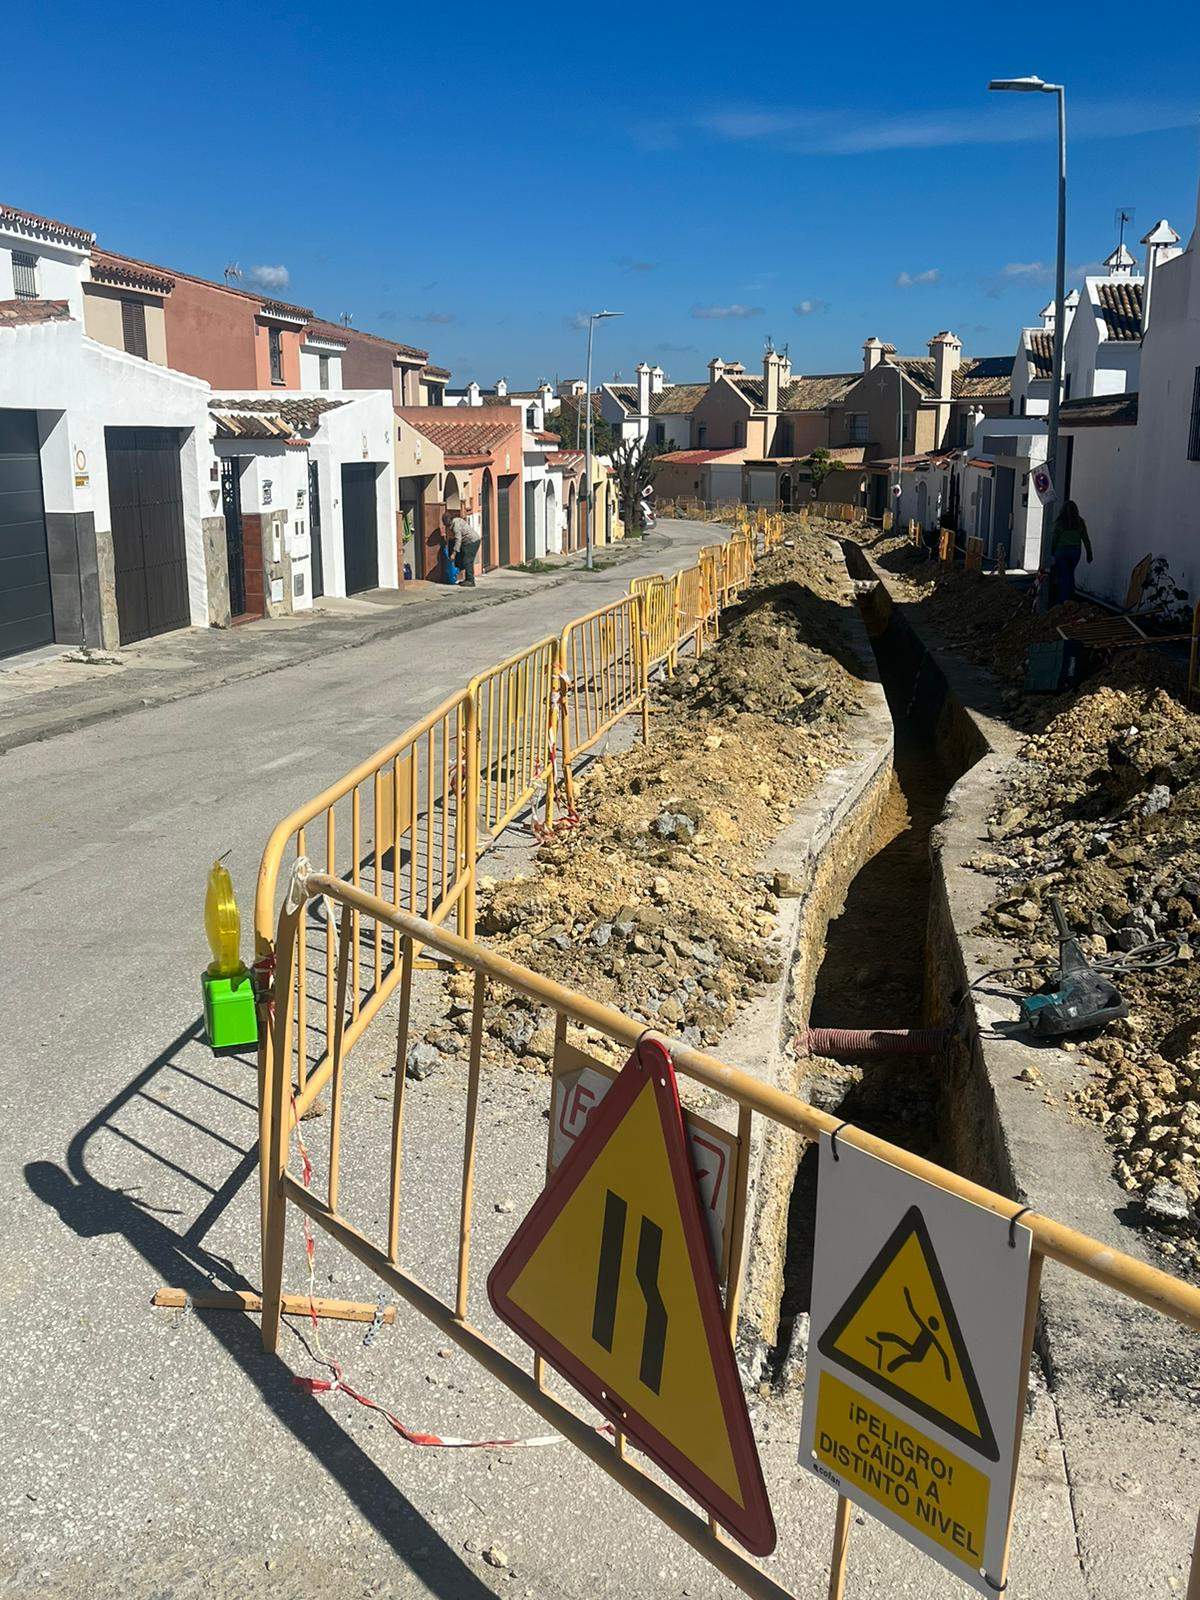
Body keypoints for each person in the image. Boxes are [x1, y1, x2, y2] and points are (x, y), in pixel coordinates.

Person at [1049, 500, 1093, 605]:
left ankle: (1063, 601)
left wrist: (1051, 552)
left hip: (1061, 552)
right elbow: (1086, 539)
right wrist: (1089, 554)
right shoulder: (1080, 522)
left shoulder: (1059, 523)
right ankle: (1071, 598)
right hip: (1075, 552)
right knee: (1070, 574)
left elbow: (1054, 539)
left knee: (1063, 575)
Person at [445, 511, 481, 588]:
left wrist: (454, 553)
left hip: (471, 542)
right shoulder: (457, 520)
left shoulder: (455, 525)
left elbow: (458, 539)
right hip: (472, 541)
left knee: (467, 561)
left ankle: (471, 581)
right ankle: (468, 579)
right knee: (466, 560)